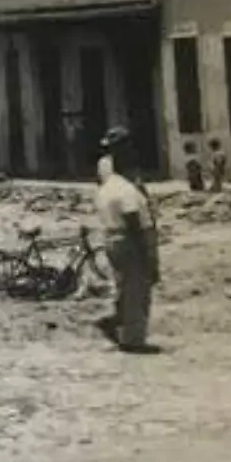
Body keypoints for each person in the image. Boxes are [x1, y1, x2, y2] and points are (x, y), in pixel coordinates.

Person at [93, 128, 160, 354]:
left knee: (123, 287)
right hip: (128, 239)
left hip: (113, 237)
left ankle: (119, 326)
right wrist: (149, 258)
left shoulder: (109, 184)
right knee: (136, 288)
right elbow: (134, 223)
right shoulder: (124, 188)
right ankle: (132, 340)